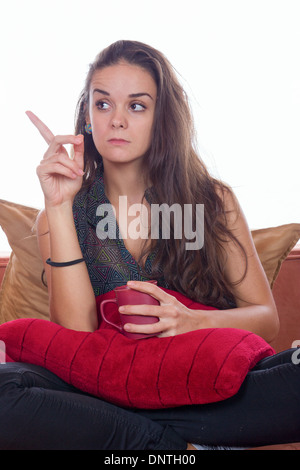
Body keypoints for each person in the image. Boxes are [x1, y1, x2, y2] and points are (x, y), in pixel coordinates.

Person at [0, 40, 299, 450]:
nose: (116, 120)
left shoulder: (212, 201)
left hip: (203, 389)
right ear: (87, 117)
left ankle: (153, 440)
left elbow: (266, 318)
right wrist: (58, 206)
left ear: (162, 118)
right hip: (100, 394)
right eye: (102, 105)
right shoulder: (61, 211)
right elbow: (76, 332)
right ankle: (169, 446)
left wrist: (192, 322)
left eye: (136, 106)